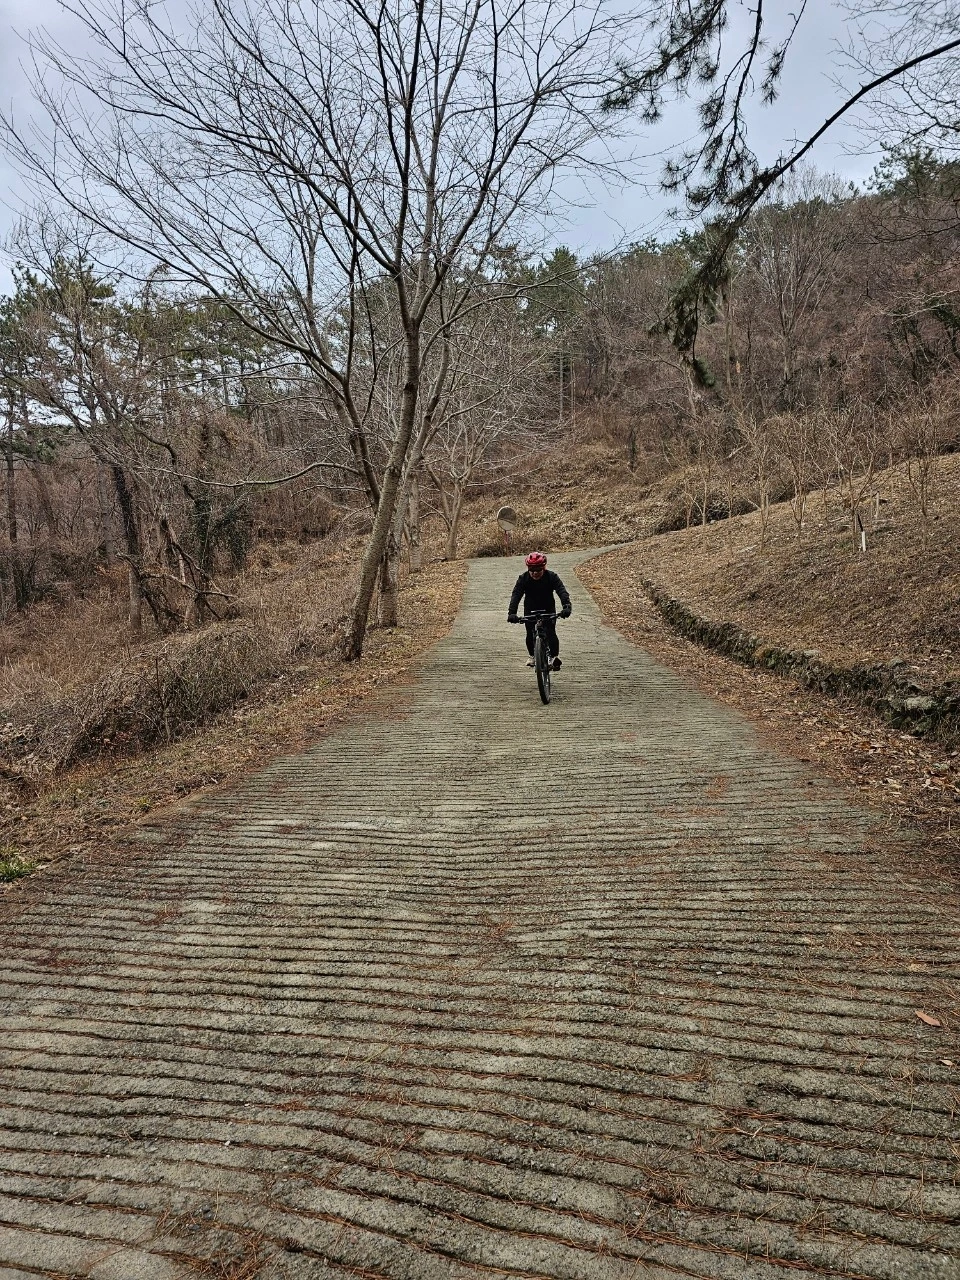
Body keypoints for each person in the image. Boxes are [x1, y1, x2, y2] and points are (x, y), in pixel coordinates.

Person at [507, 551, 572, 669]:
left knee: (550, 631)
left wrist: (566, 606)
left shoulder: (552, 577)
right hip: (530, 609)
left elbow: (561, 591)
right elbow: (516, 595)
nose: (535, 573)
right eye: (532, 570)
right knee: (529, 632)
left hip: (548, 608)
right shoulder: (523, 579)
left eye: (538, 570)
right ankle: (532, 655)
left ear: (544, 568)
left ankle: (554, 657)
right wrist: (512, 613)